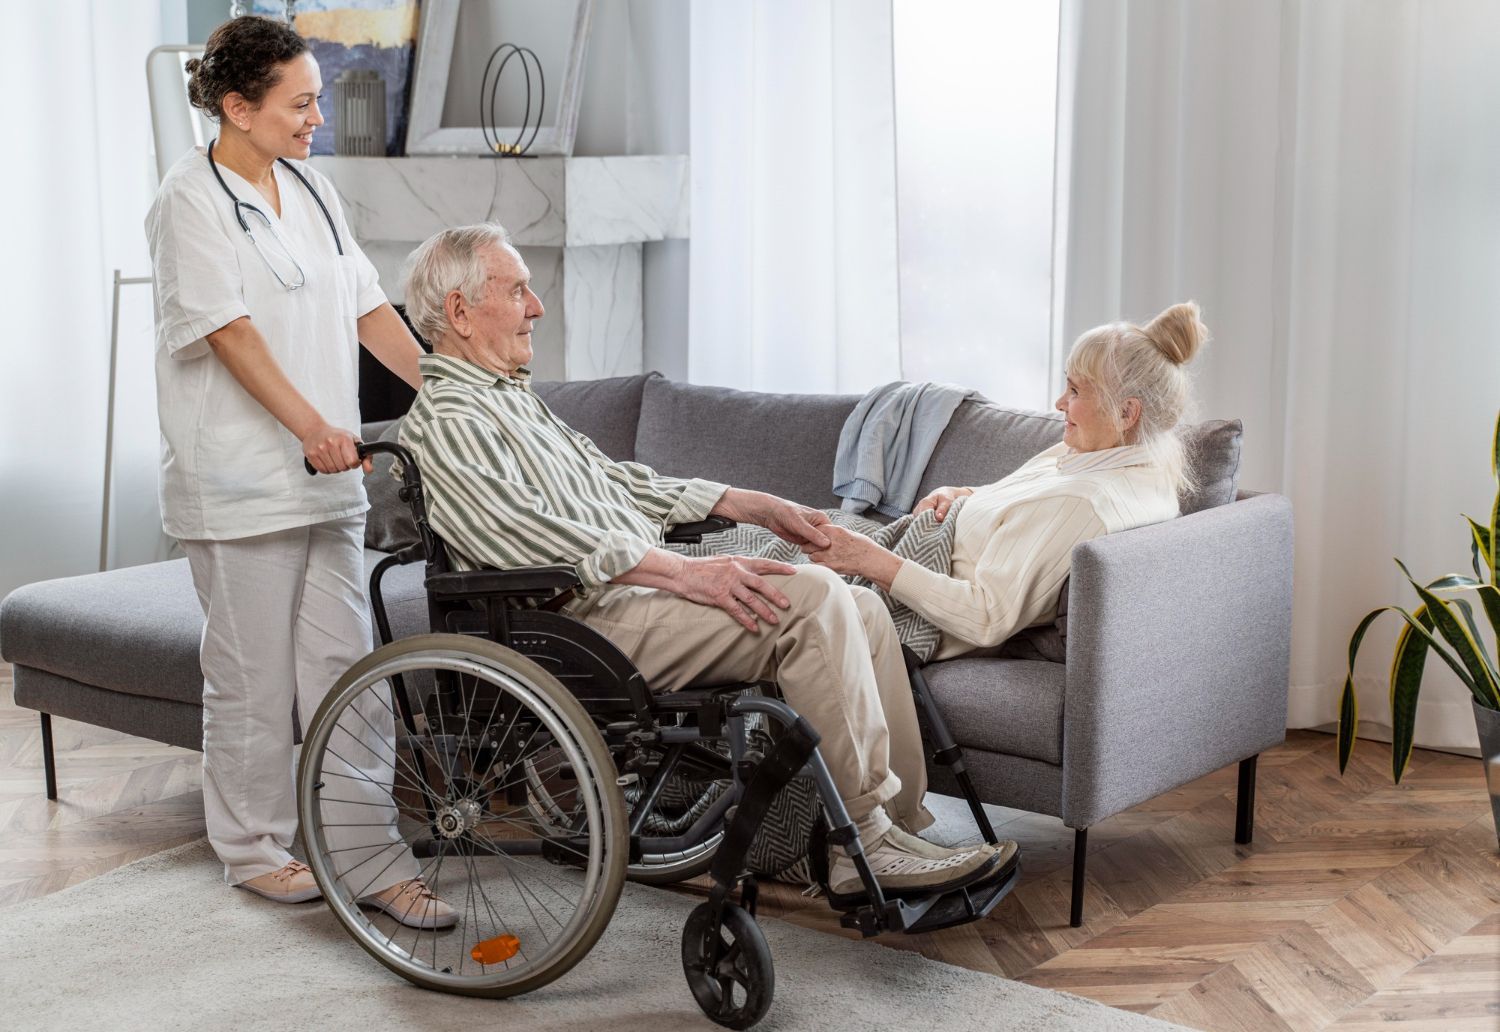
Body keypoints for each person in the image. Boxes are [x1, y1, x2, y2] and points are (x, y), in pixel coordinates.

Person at [395, 223, 1018, 901]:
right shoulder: (450, 419)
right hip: (577, 624)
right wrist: (686, 573)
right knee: (809, 600)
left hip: (626, 602)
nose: (536, 307)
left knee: (860, 601)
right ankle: (861, 842)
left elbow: (624, 483)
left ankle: (893, 829)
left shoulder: (513, 402)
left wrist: (751, 505)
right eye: (518, 291)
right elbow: (524, 538)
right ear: (459, 312)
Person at [146, 15, 452, 927]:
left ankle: (369, 854)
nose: (318, 116)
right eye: (301, 101)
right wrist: (315, 424)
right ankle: (252, 849)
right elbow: (227, 331)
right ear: (237, 108)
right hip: (238, 479)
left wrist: (450, 389)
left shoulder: (313, 190)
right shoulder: (186, 201)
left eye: (317, 99)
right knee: (252, 677)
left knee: (343, 666)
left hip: (329, 476)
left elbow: (367, 306)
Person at [802, 303, 1204, 659]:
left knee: (762, 571)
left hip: (907, 602)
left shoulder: (1084, 504)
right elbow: (1021, 504)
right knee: (767, 530)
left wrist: (869, 560)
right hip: (913, 542)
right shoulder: (1103, 457)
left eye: (1076, 390)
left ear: (1126, 414)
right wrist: (960, 494)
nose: (1060, 403)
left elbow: (986, 616)